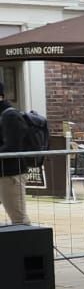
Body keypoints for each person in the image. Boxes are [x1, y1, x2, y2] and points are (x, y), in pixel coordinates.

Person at [0, 82, 29, 225]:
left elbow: (13, 146)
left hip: (10, 174)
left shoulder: (10, 115)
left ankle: (29, 247)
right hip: (3, 172)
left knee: (18, 217)